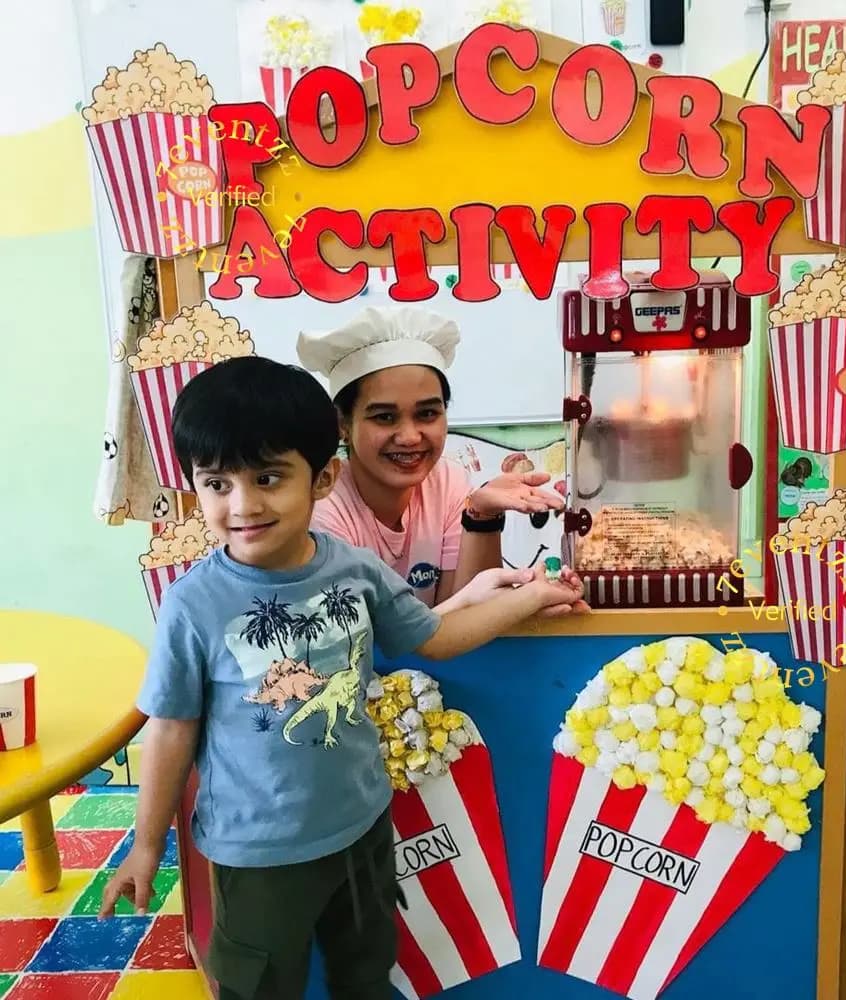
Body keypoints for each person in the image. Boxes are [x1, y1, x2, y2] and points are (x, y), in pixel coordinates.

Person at [98, 356, 583, 1000]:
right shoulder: (195, 604)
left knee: (367, 969)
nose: (242, 506)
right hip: (258, 851)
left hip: (362, 825)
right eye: (217, 484)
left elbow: (434, 637)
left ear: (321, 478)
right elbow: (170, 728)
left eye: (269, 478)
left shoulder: (351, 569)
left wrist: (529, 598)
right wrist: (146, 844)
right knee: (261, 984)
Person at [297, 306, 566, 609]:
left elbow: (470, 618)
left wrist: (481, 516)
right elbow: (363, 639)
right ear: (342, 424)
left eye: (427, 413)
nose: (411, 436)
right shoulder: (321, 508)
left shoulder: (448, 482)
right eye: (385, 417)